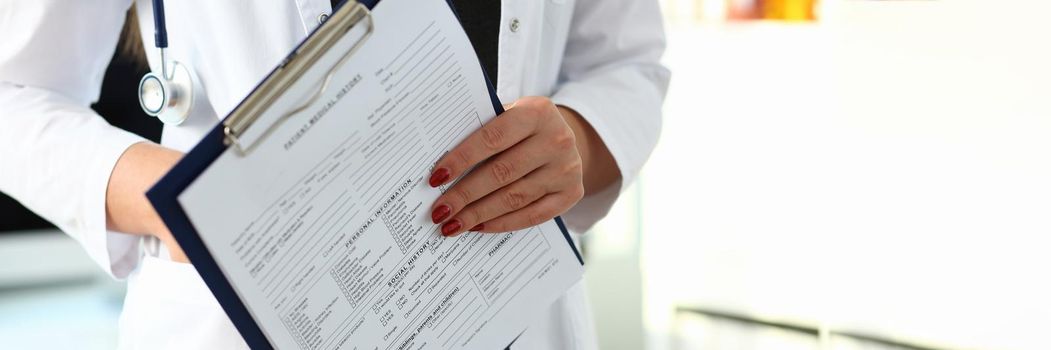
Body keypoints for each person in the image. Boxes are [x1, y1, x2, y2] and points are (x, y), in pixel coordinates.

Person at [0, 0, 668, 348]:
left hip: (511, 311)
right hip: (237, 319)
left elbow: (626, 64)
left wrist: (580, 137)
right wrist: (172, 199)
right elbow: (15, 95)